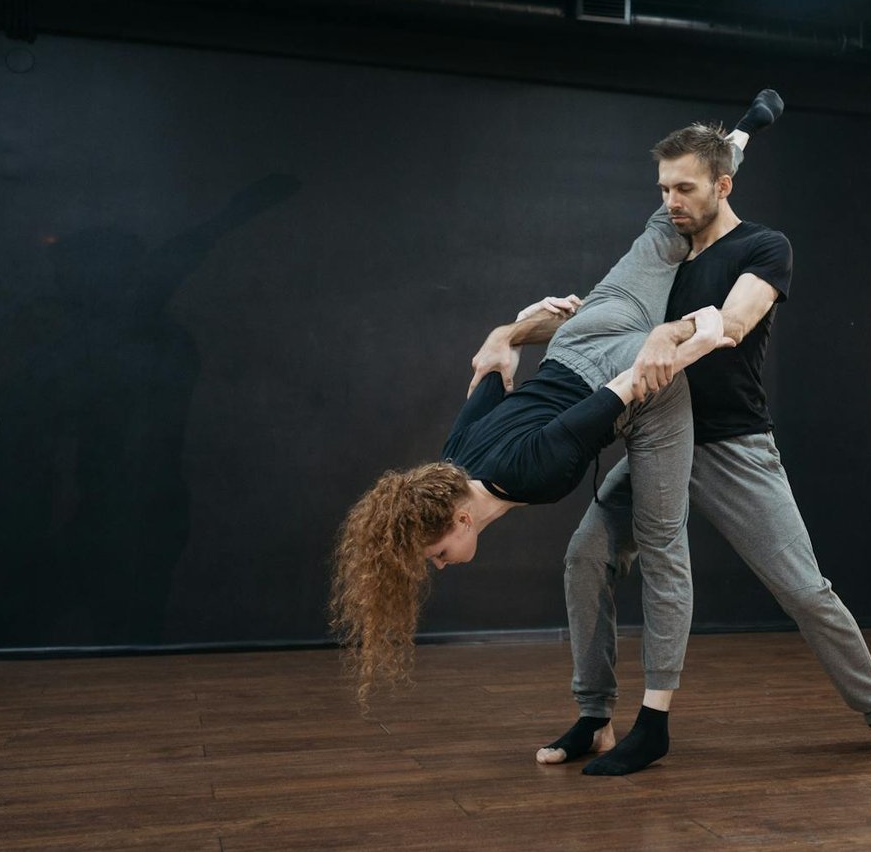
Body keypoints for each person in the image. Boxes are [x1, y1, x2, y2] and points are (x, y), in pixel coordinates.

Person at [330, 91, 786, 778]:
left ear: (457, 518)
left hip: (614, 362)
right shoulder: (454, 457)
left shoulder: (530, 473)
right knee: (661, 226)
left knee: (662, 542)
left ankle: (652, 724)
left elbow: (619, 396)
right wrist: (505, 335)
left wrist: (692, 337)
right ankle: (594, 718)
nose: (438, 560)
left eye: (434, 549)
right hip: (578, 336)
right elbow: (491, 375)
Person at [535, 119, 871, 766]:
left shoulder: (763, 247)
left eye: (685, 189)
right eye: (663, 189)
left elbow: (737, 321)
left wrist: (670, 336)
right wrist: (524, 328)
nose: (670, 202)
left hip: (732, 446)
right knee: (586, 556)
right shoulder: (666, 248)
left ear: (723, 186)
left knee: (807, 590)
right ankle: (593, 715)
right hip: (658, 438)